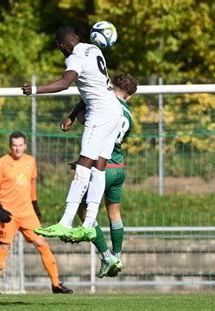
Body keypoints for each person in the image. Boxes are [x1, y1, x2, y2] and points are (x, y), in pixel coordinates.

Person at [22, 26, 123, 242]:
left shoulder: (74, 58)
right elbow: (89, 90)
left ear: (62, 46)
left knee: (83, 165)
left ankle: (65, 222)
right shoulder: (93, 49)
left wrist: (35, 89)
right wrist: (72, 115)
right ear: (77, 38)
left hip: (100, 115)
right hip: (115, 111)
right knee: (99, 167)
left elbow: (65, 83)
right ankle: (88, 224)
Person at [61, 73, 138, 278]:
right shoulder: (129, 116)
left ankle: (106, 255)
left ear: (110, 87)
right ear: (129, 97)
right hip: (119, 168)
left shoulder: (105, 106)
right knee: (114, 214)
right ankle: (118, 255)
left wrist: (75, 116)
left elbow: (86, 120)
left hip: (101, 168)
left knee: (82, 208)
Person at [0, 131, 72, 294]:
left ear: (25, 146)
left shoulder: (30, 161)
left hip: (27, 213)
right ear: (10, 146)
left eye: (20, 145)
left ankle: (56, 284)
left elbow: (32, 184)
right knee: (3, 248)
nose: (17, 149)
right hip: (8, 214)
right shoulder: (1, 163)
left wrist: (35, 205)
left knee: (42, 244)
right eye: (14, 145)